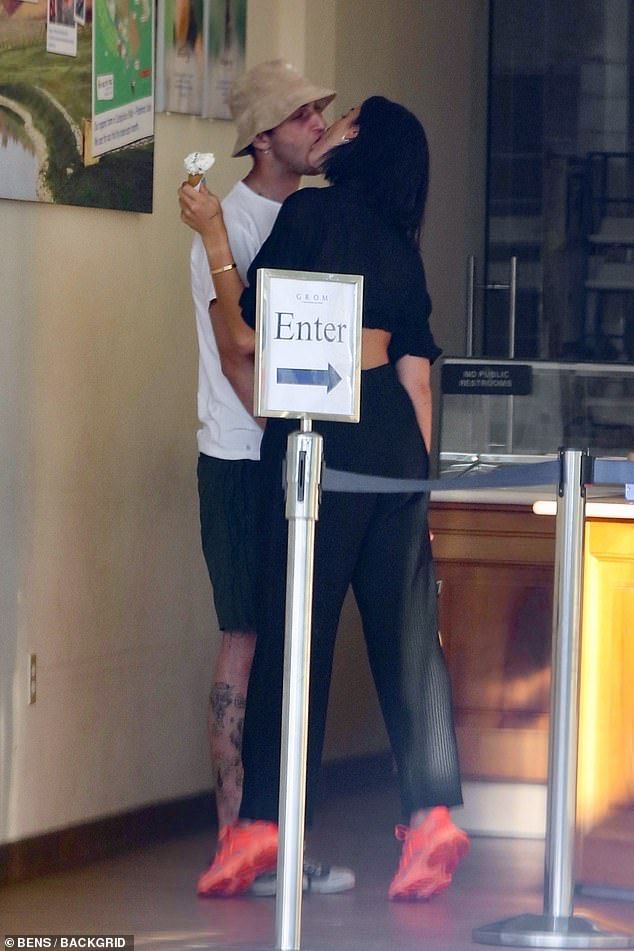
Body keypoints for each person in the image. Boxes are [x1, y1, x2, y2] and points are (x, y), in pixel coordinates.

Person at [182, 96, 471, 901]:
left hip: (322, 436)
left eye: (349, 125)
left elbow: (245, 332)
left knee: (293, 634)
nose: (334, 131)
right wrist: (416, 492)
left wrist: (212, 239)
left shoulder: (310, 218)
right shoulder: (402, 251)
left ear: (362, 147)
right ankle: (433, 818)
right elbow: (417, 380)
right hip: (393, 446)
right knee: (412, 646)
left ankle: (260, 826)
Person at [179, 60, 354, 897]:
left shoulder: (316, 214)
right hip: (244, 461)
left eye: (322, 111)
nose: (319, 123)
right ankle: (234, 837)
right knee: (246, 644)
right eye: (303, 114)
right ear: (262, 136)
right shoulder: (232, 228)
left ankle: (275, 836)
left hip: (299, 458)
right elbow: (241, 358)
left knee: (291, 652)